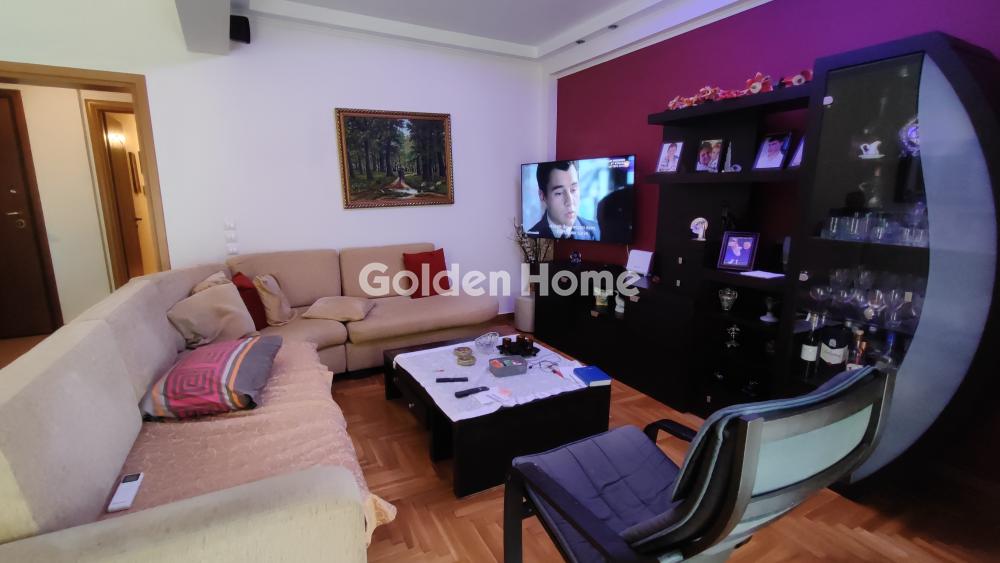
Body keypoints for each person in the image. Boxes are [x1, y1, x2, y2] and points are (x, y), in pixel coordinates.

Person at [528, 160, 601, 240]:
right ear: (542, 195)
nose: (570, 201)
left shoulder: (598, 231)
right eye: (559, 193)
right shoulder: (530, 237)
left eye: (573, 190)